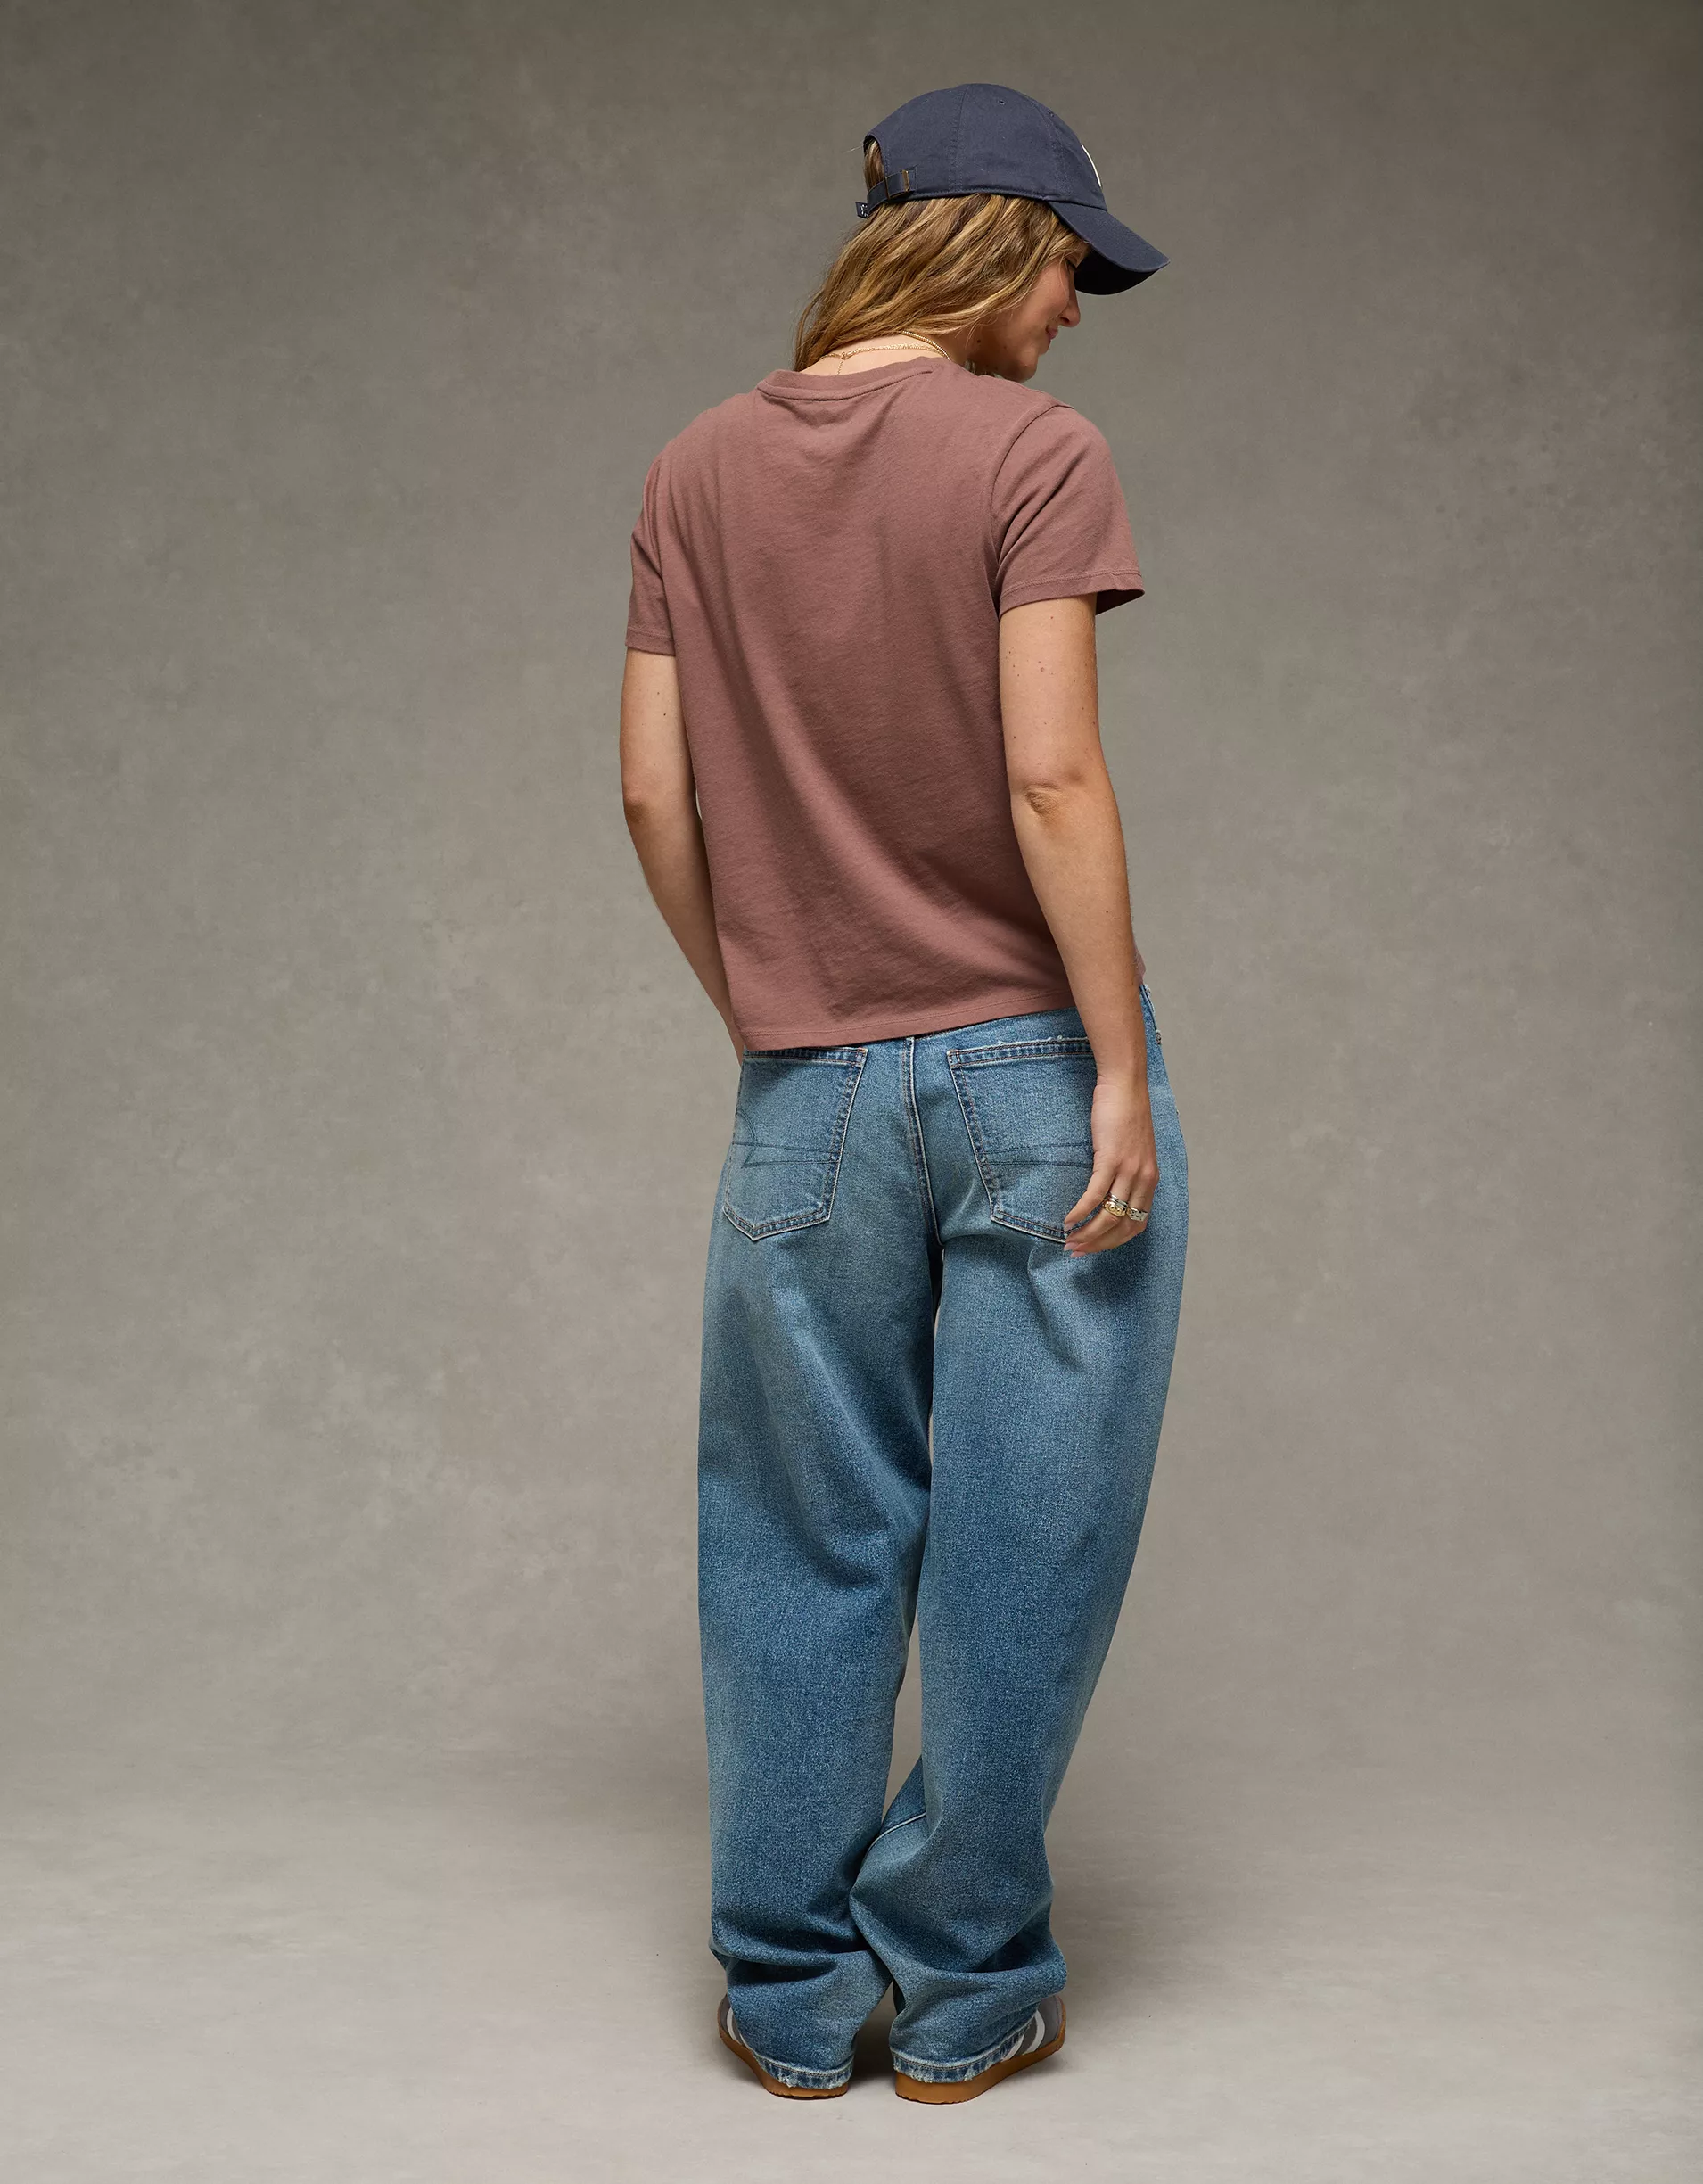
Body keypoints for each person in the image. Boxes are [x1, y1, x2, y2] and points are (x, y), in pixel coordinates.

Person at [620, 82, 1188, 2106]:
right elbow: (1048, 773)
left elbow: (652, 794)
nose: (1073, 308)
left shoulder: (694, 470)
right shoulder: (1036, 453)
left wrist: (767, 1010)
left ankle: (786, 1998)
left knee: (798, 1533)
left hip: (808, 1089)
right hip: (1031, 1065)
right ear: (988, 238)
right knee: (1027, 1537)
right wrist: (1112, 1065)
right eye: (1067, 264)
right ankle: (961, 1994)